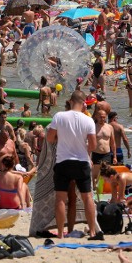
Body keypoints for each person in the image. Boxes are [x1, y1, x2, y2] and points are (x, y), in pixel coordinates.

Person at [46, 91, 102, 240]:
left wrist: (60, 137)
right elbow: (93, 145)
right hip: (81, 161)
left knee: (60, 199)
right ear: (84, 103)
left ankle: (60, 234)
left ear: (70, 101)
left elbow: (50, 138)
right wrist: (83, 148)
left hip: (63, 161)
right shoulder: (88, 120)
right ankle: (91, 231)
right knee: (87, 197)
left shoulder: (59, 116)